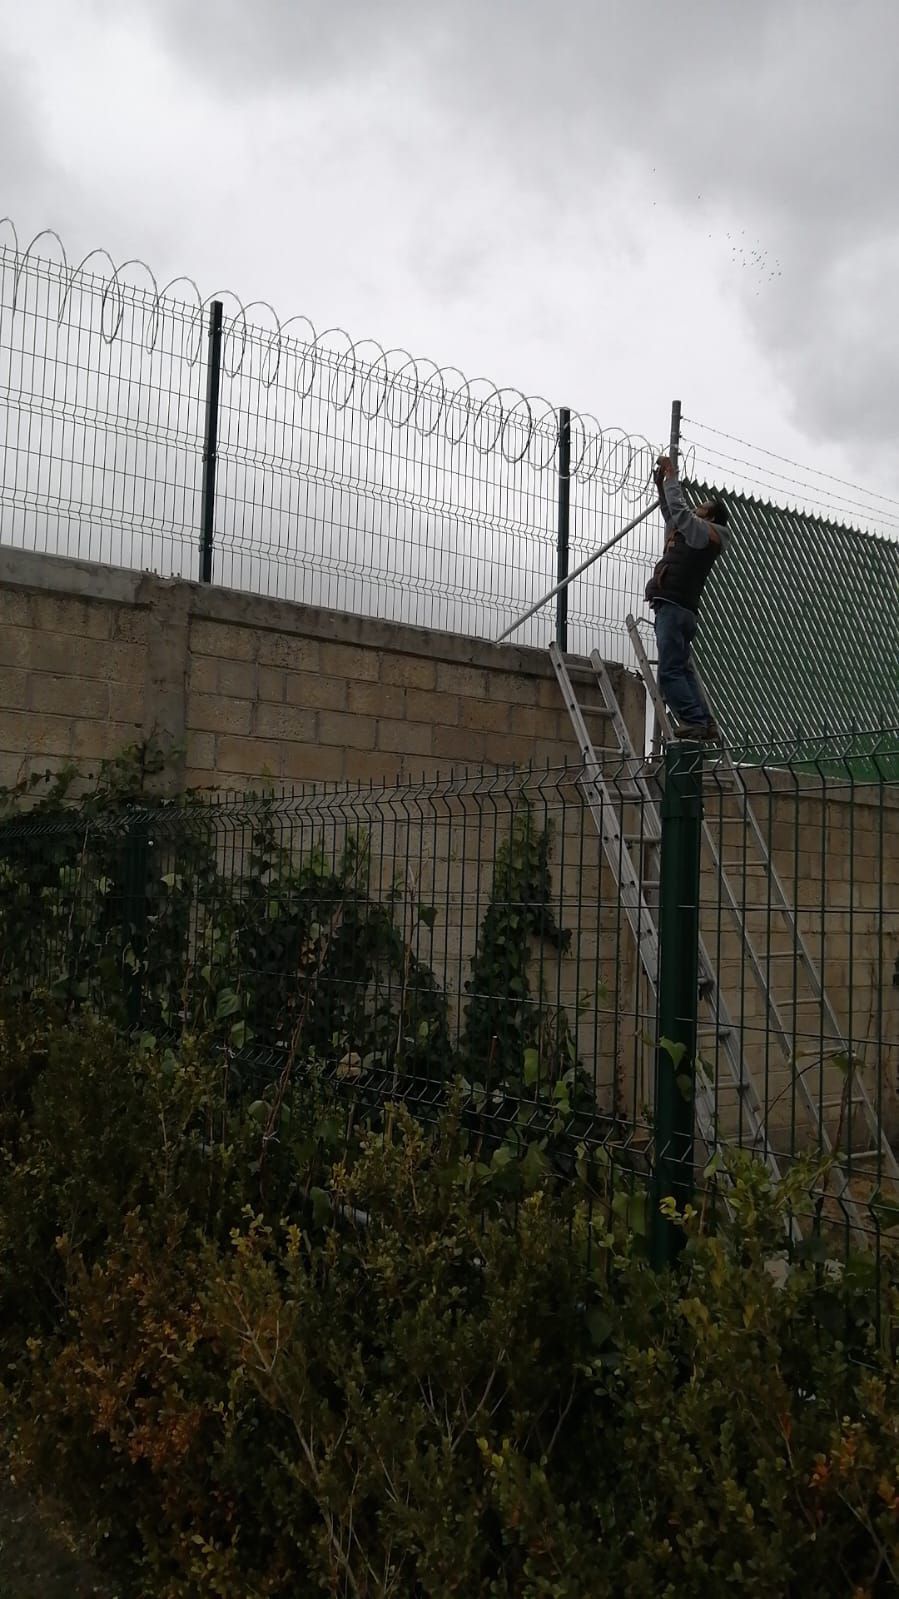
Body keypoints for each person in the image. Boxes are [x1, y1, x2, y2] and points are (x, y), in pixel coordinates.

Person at [645, 454, 729, 741]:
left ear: (711, 517)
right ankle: (705, 722)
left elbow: (680, 512)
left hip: (674, 606)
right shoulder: (698, 535)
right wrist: (661, 486)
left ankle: (694, 721)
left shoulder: (704, 534)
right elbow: (672, 515)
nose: (697, 509)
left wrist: (671, 476)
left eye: (702, 508)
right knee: (682, 669)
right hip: (682, 608)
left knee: (670, 672)